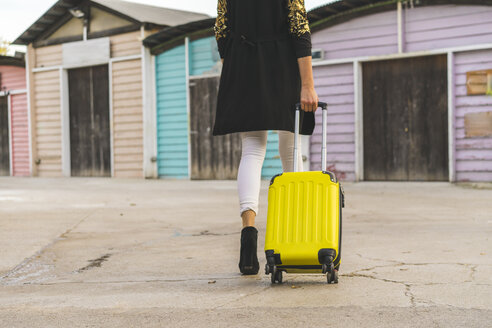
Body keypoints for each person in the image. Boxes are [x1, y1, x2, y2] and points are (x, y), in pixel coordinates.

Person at [213, 0, 319, 275]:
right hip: (282, 62)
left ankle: (248, 239)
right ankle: (296, 234)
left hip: (243, 63)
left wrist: (237, 66)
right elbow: (298, 27)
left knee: (252, 148)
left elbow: (222, 30)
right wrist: (307, 85)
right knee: (291, 145)